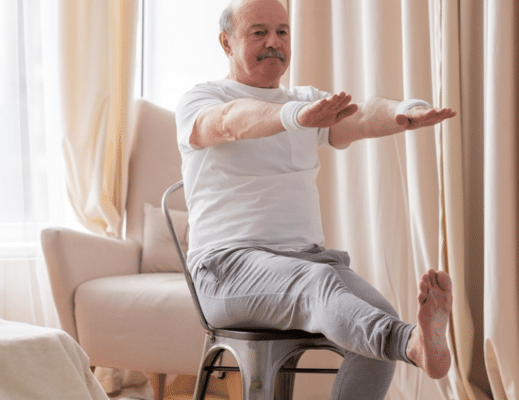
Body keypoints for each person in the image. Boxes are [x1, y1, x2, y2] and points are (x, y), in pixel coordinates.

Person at [175, 0, 457, 398]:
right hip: (226, 269)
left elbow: (359, 114)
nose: (274, 42)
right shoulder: (203, 99)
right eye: (259, 32)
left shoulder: (306, 99)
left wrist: (403, 110)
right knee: (323, 288)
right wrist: (295, 117)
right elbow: (229, 122)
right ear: (226, 42)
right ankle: (411, 343)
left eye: (283, 32)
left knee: (373, 320)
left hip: (305, 259)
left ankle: (404, 339)